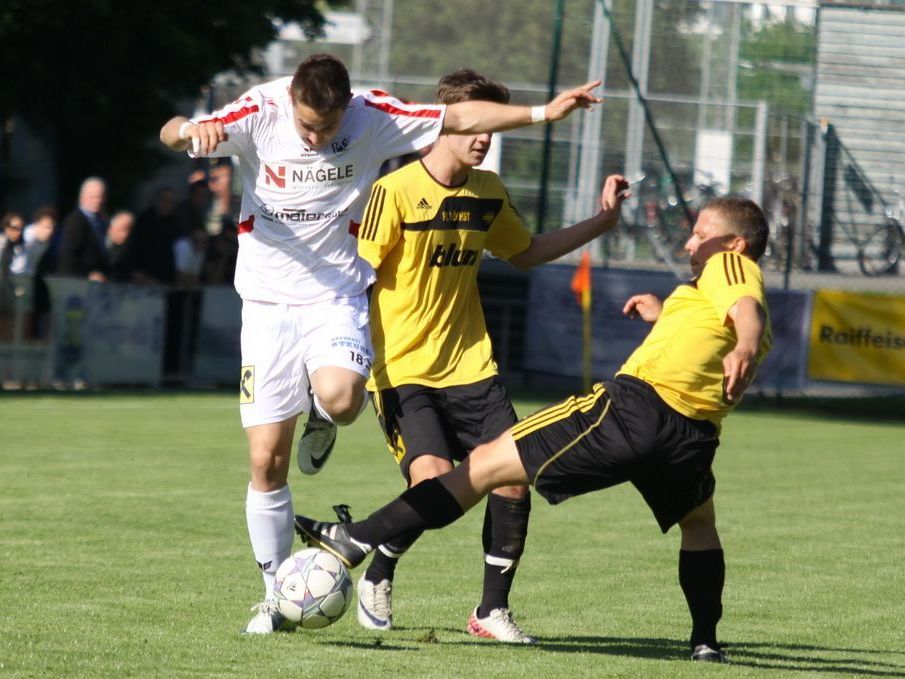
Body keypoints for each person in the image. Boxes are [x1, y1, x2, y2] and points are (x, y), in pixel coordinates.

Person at [159, 52, 602, 634]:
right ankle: (274, 597)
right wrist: (190, 131)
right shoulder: (257, 112)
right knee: (266, 460)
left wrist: (543, 113)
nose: (316, 139)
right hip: (266, 304)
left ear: (348, 107)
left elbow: (461, 118)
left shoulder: (374, 116)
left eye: (328, 127)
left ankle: (324, 414)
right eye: (306, 126)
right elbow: (172, 131)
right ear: (290, 101)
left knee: (343, 400)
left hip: (334, 296)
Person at [295, 196, 772, 663]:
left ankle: (356, 537)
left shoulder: (730, 266)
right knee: (698, 524)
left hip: (633, 410)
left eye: (702, 235)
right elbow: (719, 325)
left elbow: (745, 310)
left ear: (734, 244)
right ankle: (705, 642)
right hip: (693, 435)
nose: (690, 244)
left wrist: (746, 347)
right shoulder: (708, 289)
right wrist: (665, 313)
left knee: (485, 465)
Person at [352, 69, 630, 644]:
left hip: (472, 367)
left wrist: (603, 222)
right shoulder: (394, 190)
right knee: (433, 481)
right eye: (477, 125)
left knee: (511, 478)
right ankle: (379, 569)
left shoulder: (488, 191)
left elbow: (525, 253)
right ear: (446, 121)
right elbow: (354, 277)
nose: (484, 138)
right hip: (402, 370)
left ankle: (491, 611)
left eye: (491, 129)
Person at [57, 177, 109, 282]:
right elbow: (68, 256)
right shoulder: (75, 222)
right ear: (83, 198)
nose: (98, 201)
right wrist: (86, 275)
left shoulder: (101, 221)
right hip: (77, 282)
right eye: (94, 197)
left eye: (101, 197)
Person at [105, 210, 135, 283]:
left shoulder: (132, 250)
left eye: (129, 230)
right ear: (111, 229)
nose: (125, 235)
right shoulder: (100, 246)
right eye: (122, 230)